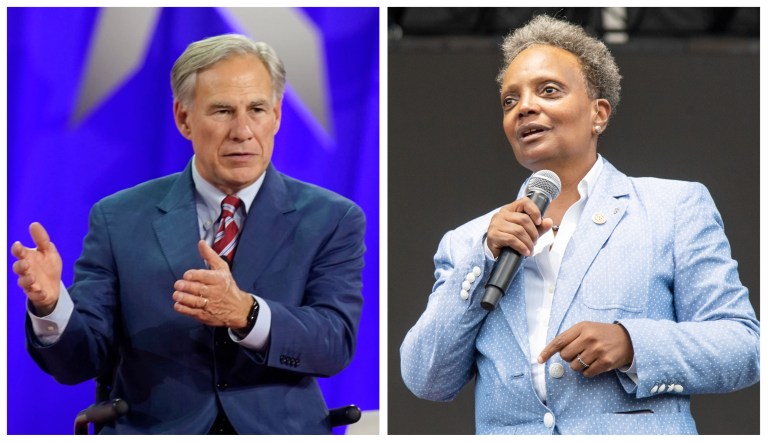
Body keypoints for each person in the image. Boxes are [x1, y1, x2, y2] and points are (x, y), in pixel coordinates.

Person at [400, 15, 759, 435]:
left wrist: (631, 344)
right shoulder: (468, 243)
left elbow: (743, 347)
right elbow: (425, 378)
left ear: (598, 114)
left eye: (548, 90)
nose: (526, 107)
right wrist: (482, 257)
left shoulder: (672, 207)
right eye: (509, 101)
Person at [11, 34, 366, 434]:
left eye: (257, 109)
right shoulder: (119, 218)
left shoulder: (332, 218)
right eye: (222, 111)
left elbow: (334, 343)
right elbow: (79, 361)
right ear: (183, 119)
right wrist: (52, 305)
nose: (243, 130)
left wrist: (247, 314)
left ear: (278, 115)